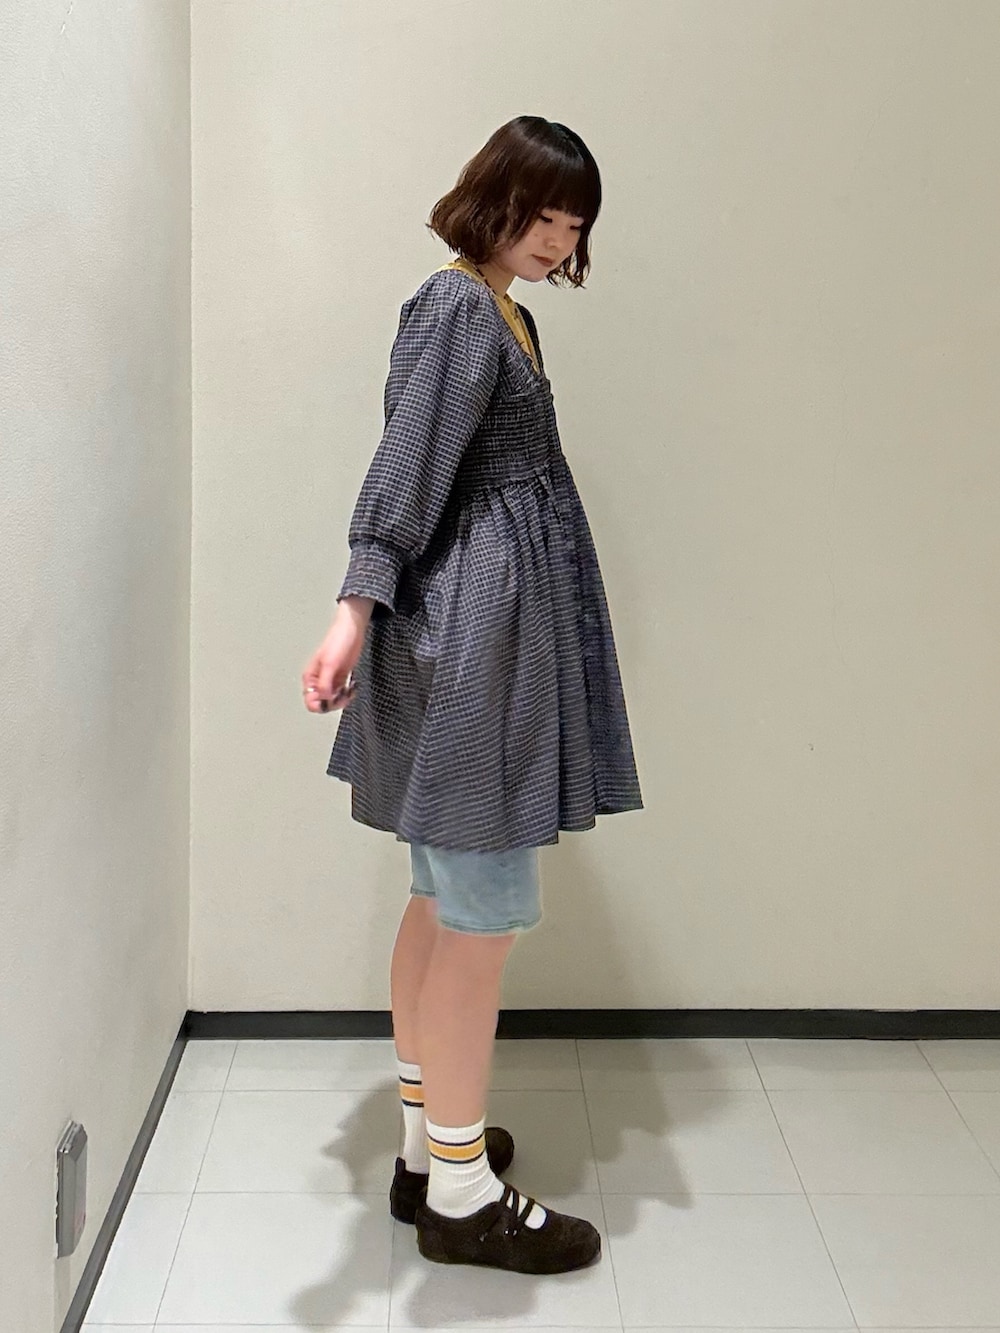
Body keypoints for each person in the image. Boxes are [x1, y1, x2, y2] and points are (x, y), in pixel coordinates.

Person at [300, 116, 643, 1274]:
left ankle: (425, 1150)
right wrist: (354, 604)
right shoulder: (455, 307)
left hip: (484, 634)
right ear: (494, 198)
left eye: (574, 224)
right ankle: (460, 1193)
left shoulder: (504, 308)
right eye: (543, 215)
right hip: (474, 647)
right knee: (478, 925)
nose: (557, 240)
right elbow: (404, 468)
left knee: (439, 903)